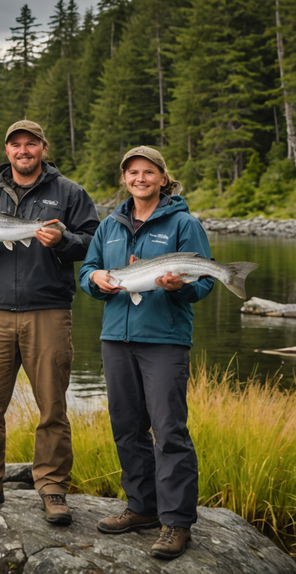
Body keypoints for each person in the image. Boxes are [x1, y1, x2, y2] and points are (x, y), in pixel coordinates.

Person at [0, 120, 99, 524]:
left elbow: (94, 241)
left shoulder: (69, 192)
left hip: (49, 311)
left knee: (51, 406)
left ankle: (52, 489)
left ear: (43, 148)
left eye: (30, 144)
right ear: (7, 151)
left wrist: (64, 242)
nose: (23, 151)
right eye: (15, 145)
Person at [78, 145, 210, 560]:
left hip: (165, 341)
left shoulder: (184, 224)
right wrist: (95, 278)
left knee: (169, 430)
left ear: (162, 178)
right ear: (124, 178)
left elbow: (202, 283)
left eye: (148, 172)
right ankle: (141, 508)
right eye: (132, 172)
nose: (140, 178)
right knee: (126, 427)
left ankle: (176, 522)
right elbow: (86, 272)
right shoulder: (108, 225)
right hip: (116, 338)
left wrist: (180, 286)